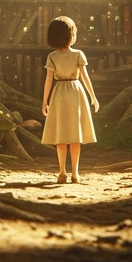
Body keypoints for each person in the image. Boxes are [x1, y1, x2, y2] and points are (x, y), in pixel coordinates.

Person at [39, 16, 99, 183]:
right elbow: (85, 78)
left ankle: (62, 172)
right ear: (70, 35)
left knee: (61, 135)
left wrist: (45, 101)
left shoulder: (52, 56)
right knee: (74, 135)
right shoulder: (78, 54)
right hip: (75, 92)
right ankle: (74, 173)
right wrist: (92, 97)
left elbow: (49, 81)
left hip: (59, 93)